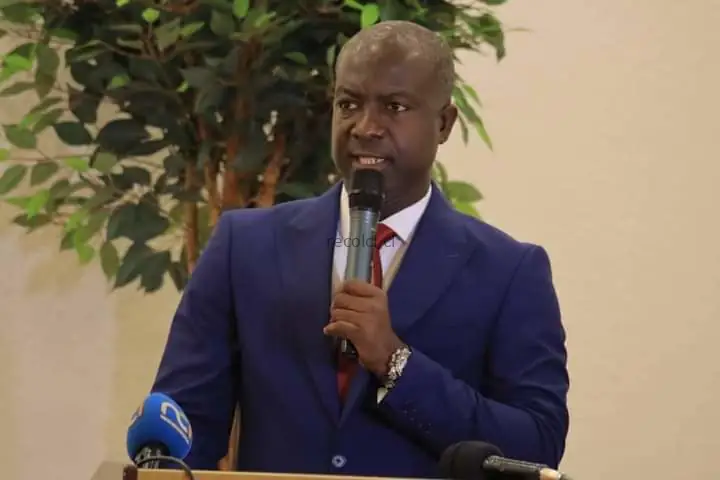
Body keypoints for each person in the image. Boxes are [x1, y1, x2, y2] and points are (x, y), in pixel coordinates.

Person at [150, 20, 570, 478]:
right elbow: (183, 431)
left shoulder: (509, 272)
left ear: (444, 123)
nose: (365, 127)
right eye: (348, 104)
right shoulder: (244, 246)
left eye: (395, 106)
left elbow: (537, 445)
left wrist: (396, 363)